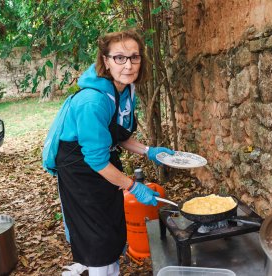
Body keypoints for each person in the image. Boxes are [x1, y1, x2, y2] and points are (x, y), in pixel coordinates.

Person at [56, 29, 174, 276]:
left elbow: (117, 135)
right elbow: (96, 160)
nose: (128, 65)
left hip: (102, 162)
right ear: (106, 62)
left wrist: (149, 151)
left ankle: (100, 267)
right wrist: (133, 186)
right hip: (81, 170)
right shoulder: (93, 101)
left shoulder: (124, 90)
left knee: (110, 227)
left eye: (134, 57)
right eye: (119, 57)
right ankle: (97, 268)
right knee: (98, 235)